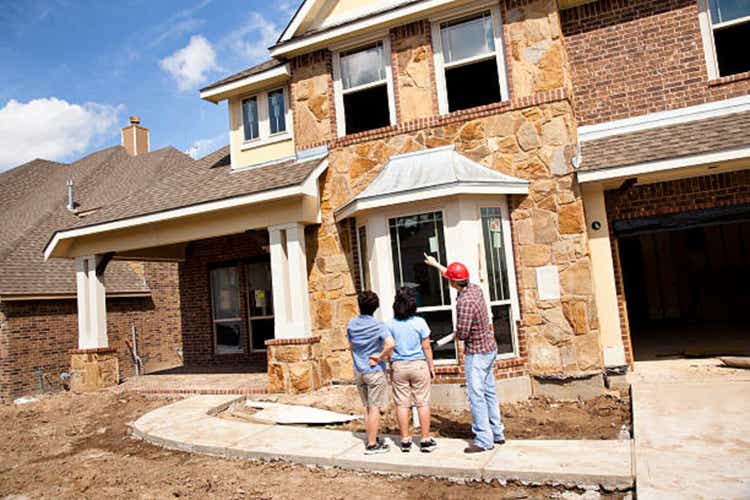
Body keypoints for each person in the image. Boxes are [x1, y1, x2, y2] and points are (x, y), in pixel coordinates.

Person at [424, 254, 506, 454]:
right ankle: (497, 432)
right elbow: (451, 274)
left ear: (453, 283)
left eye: (449, 280)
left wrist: (451, 336)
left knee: (476, 396)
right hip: (490, 348)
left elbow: (463, 333)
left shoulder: (464, 303)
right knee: (489, 392)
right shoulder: (475, 289)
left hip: (477, 353)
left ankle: (484, 440)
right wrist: (436, 265)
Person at [386, 287, 438, 453]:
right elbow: (427, 347)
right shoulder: (420, 323)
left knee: (402, 404)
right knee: (422, 403)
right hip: (418, 365)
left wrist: (391, 365)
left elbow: (388, 347)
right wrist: (431, 366)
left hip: (399, 366)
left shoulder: (390, 324)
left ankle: (405, 440)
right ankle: (425, 439)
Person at [346, 291, 395, 455]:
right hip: (373, 370)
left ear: (359, 305)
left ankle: (371, 438)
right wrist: (379, 356)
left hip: (358, 370)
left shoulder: (351, 324)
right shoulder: (379, 326)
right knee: (374, 408)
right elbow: (390, 344)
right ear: (376, 307)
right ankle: (373, 445)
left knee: (368, 408)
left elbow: (351, 346)